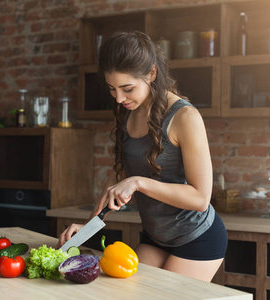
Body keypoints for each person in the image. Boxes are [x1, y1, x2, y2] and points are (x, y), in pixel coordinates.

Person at [57, 31, 227, 282]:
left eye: (127, 88)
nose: (119, 98)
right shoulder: (129, 110)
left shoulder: (184, 117)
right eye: (112, 88)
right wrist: (88, 226)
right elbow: (119, 178)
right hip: (156, 236)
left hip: (197, 237)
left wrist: (138, 182)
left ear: (152, 74)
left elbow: (201, 198)